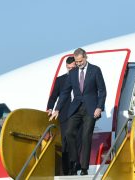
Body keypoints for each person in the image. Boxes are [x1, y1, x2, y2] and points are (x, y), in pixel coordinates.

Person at [49, 48, 106, 176]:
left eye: (80, 61)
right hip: (76, 107)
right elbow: (64, 92)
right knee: (69, 133)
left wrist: (99, 107)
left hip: (91, 109)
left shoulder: (95, 70)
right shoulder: (73, 73)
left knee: (86, 136)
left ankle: (84, 167)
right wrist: (57, 108)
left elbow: (102, 90)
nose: (79, 64)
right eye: (77, 61)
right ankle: (74, 161)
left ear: (85, 57)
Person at [46, 56, 76, 175]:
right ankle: (65, 170)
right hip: (64, 116)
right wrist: (50, 108)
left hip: (77, 115)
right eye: (69, 68)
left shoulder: (82, 80)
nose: (71, 70)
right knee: (64, 144)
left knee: (77, 143)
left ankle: (75, 168)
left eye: (73, 68)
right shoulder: (60, 80)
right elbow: (53, 96)